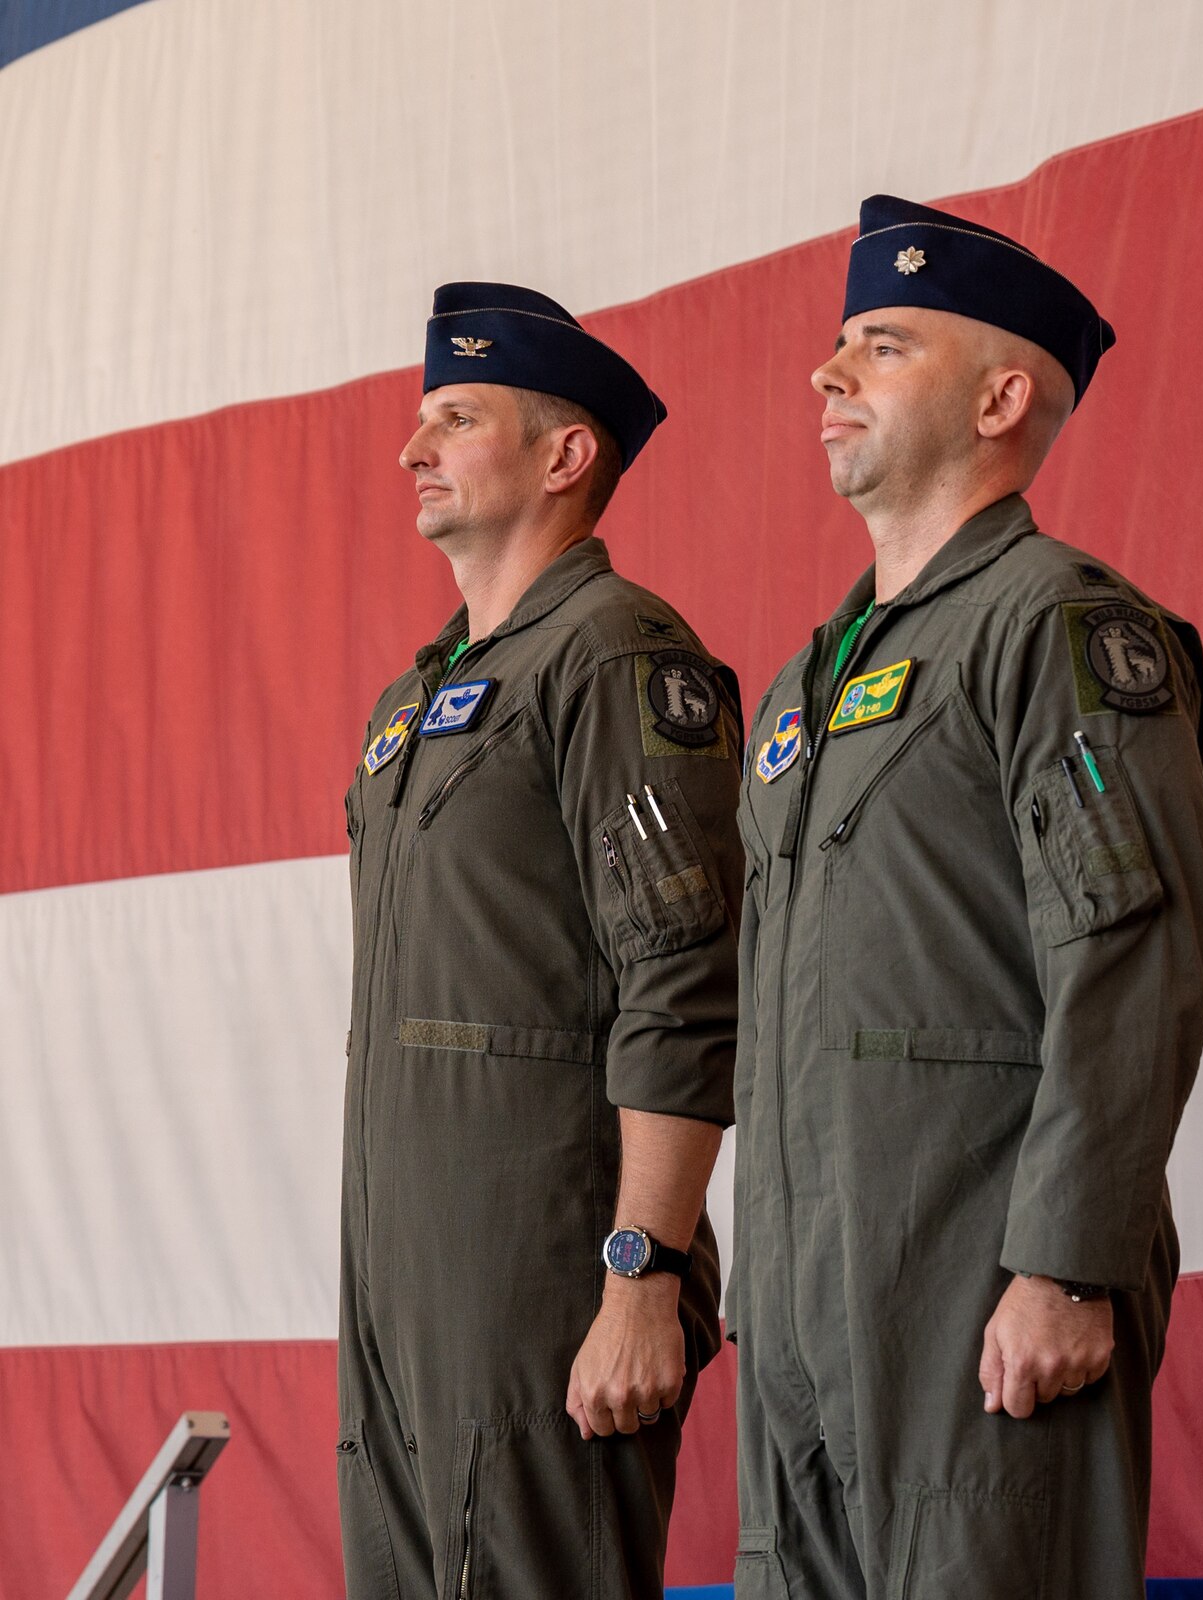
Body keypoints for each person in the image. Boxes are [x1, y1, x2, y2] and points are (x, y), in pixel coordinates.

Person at [730, 196, 1203, 1599]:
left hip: (974, 1293)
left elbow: (1131, 954)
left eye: (881, 346)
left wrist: (1067, 1264)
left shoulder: (1060, 627)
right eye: (835, 348)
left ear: (1003, 396)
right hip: (803, 1315)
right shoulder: (805, 685)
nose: (828, 376)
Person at [338, 282, 741, 1599]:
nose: (413, 450)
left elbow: (687, 978)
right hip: (405, 1263)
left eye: (455, 418)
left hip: (545, 1260)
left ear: (565, 456)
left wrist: (641, 1277)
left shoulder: (616, 656)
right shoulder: (423, 698)